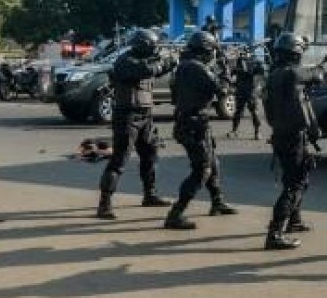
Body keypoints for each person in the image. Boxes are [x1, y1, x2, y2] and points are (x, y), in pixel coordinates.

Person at [262, 32, 327, 250]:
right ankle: (275, 233)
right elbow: (316, 74)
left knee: (298, 178)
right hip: (291, 137)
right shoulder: (291, 74)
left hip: (284, 135)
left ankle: (294, 220)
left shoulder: (276, 74)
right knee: (294, 184)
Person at [96, 29, 176, 220]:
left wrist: (171, 62)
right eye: (152, 47)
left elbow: (158, 71)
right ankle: (104, 204)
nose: (155, 50)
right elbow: (146, 70)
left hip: (145, 114)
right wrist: (163, 61)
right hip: (127, 115)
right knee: (119, 160)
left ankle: (150, 194)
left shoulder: (143, 59)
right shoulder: (125, 61)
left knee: (150, 155)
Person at [164, 31, 238, 230]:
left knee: (213, 162)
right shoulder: (197, 68)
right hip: (193, 124)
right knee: (202, 169)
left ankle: (217, 201)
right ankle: (175, 213)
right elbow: (222, 90)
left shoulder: (185, 66)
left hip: (193, 121)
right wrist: (226, 68)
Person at [227, 46, 265, 140]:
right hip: (241, 90)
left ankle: (257, 132)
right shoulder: (238, 62)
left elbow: (259, 74)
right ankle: (234, 131)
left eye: (244, 53)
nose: (243, 55)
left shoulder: (253, 62)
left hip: (250, 91)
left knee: (254, 112)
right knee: (238, 112)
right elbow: (231, 74)